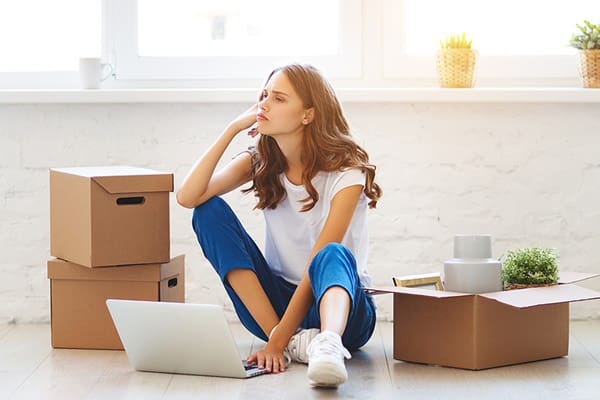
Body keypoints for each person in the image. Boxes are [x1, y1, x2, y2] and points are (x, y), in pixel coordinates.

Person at [177, 63, 382, 388]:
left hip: (340, 307)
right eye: (263, 96)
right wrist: (231, 129)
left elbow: (318, 261)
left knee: (330, 253)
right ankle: (297, 343)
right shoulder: (261, 159)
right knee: (207, 211)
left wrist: (275, 342)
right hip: (274, 307)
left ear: (308, 114)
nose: (264, 105)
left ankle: (326, 343)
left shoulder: (347, 169)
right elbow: (189, 197)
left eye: (279, 98)